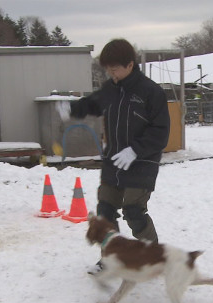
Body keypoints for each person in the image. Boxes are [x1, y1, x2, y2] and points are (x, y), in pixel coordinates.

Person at [70, 38, 170, 244]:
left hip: (142, 163)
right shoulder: (111, 89)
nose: (111, 74)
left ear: (130, 65)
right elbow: (93, 104)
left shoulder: (151, 92)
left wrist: (135, 150)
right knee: (105, 210)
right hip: (114, 160)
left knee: (134, 212)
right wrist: (71, 109)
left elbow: (160, 132)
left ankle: (153, 256)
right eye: (108, 69)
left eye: (115, 69)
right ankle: (111, 256)